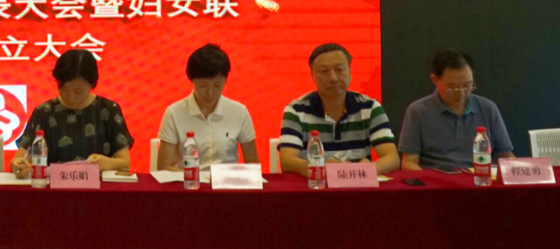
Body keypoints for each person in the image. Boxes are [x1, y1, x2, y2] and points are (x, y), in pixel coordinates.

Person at [278, 43, 400, 176]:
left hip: (357, 184)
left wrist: (364, 169)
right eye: (324, 71)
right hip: (316, 184)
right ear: (312, 75)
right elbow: (287, 162)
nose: (333, 78)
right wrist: (322, 167)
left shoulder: (370, 108)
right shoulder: (296, 111)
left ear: (350, 72)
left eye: (339, 69)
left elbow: (392, 158)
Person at [10, 49, 134, 178]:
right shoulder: (44, 112)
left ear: (92, 84)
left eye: (78, 91)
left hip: (98, 187)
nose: (70, 97)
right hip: (53, 187)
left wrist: (107, 163)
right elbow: (21, 158)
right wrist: (17, 165)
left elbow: (124, 163)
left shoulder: (109, 110)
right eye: (63, 89)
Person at [399, 49, 514, 171]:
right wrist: (428, 181)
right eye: (452, 87)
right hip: (436, 179)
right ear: (435, 80)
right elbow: (408, 163)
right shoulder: (418, 111)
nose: (461, 93)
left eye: (467, 85)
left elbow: (506, 156)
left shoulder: (488, 108)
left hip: (480, 177)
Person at [157, 44, 258, 171]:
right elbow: (164, 167)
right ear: (191, 80)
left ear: (226, 80)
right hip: (188, 181)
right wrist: (196, 178)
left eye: (217, 85)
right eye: (203, 85)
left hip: (226, 181)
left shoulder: (239, 112)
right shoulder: (174, 113)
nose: (210, 92)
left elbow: (253, 165)